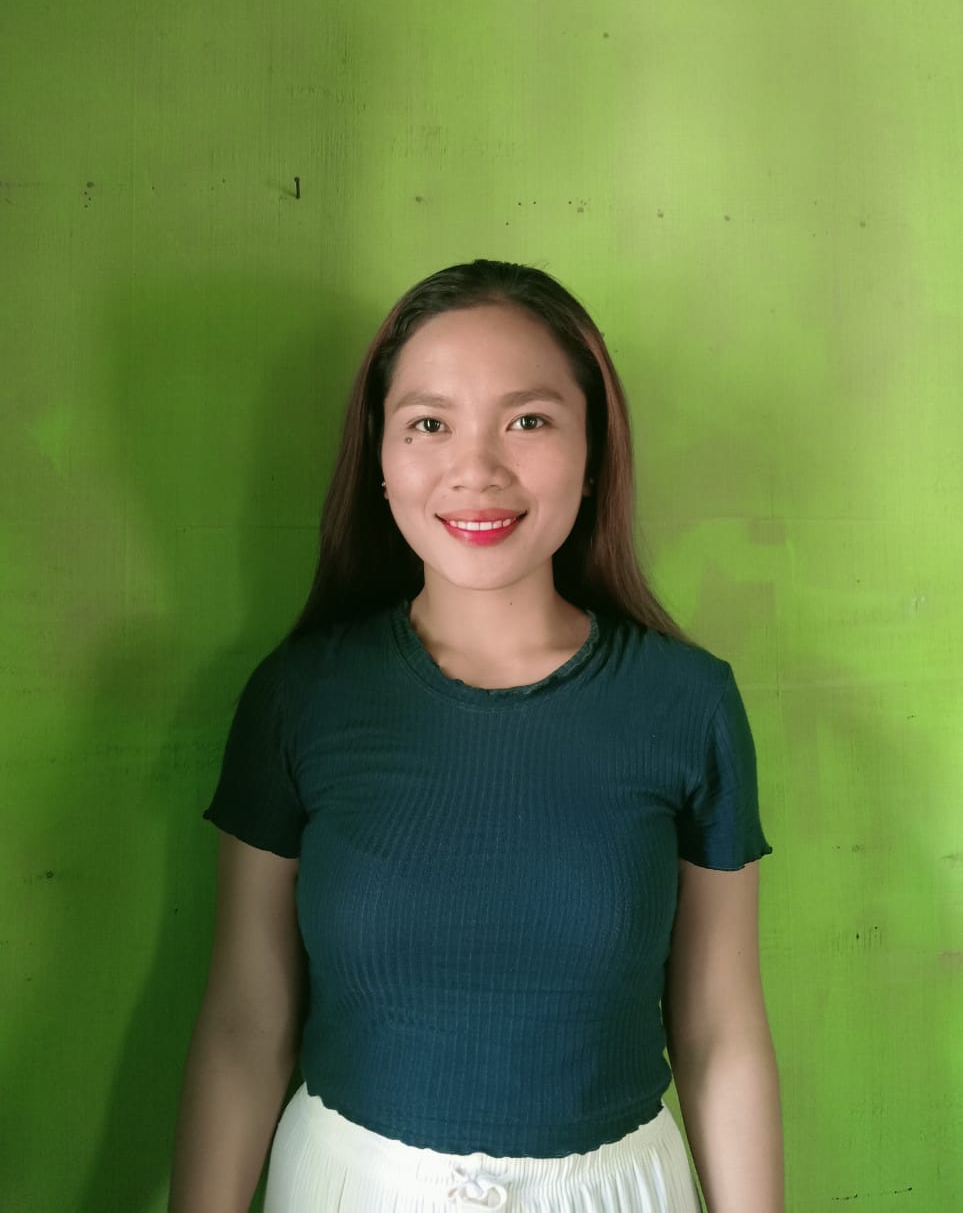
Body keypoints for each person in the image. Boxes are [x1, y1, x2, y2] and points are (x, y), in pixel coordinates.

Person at [170, 259, 783, 1212]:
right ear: (379, 457)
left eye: (528, 421)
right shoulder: (301, 697)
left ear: (594, 452)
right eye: (428, 424)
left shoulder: (686, 702)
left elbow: (719, 1033)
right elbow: (246, 1027)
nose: (476, 469)